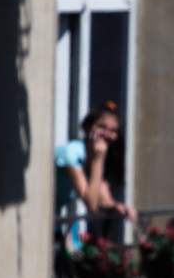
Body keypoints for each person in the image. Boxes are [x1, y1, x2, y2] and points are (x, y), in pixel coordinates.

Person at [56, 101, 136, 254]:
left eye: (113, 131)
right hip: (44, 225)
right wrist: (98, 159)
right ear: (88, 127)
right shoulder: (72, 152)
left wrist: (120, 207)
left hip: (61, 228)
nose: (107, 134)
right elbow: (91, 205)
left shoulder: (94, 157)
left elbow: (104, 199)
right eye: (101, 127)